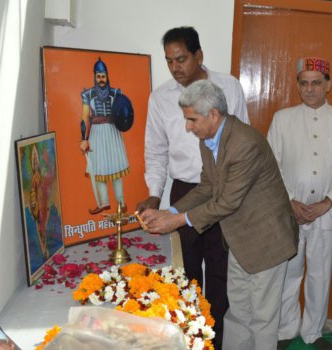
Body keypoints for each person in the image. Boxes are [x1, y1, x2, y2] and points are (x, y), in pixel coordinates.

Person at [140, 80, 298, 350]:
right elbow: (208, 187)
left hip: (266, 242)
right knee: (237, 314)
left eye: (192, 119)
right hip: (238, 239)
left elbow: (226, 202)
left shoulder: (244, 143)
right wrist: (171, 210)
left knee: (262, 319)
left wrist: (176, 221)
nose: (188, 127)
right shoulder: (209, 139)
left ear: (213, 114)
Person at [136, 26, 249, 348]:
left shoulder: (228, 87)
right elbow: (155, 151)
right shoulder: (160, 97)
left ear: (199, 56)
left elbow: (243, 138)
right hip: (184, 191)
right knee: (185, 270)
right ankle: (188, 337)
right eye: (169, 61)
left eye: (182, 59)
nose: (175, 68)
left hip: (223, 190)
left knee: (220, 268)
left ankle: (216, 338)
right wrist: (155, 194)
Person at [267, 57, 332, 349]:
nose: (310, 89)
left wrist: (328, 202)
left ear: (328, 85)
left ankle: (313, 332)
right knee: (289, 275)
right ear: (297, 85)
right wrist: (290, 202)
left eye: (316, 82)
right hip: (290, 213)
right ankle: (285, 330)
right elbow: (271, 165)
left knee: (320, 276)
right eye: (304, 83)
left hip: (327, 215)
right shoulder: (283, 118)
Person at [80, 58, 131, 215]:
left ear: (107, 76)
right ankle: (104, 202)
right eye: (98, 76)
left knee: (115, 167)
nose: (101, 80)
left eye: (103, 76)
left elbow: (125, 112)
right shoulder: (88, 94)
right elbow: (84, 117)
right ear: (95, 77)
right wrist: (84, 139)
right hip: (96, 133)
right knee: (99, 168)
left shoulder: (116, 93)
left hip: (113, 132)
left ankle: (121, 203)